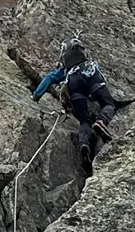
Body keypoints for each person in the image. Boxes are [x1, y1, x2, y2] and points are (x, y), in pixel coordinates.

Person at [31, 40, 120, 173]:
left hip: (74, 83)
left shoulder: (66, 70)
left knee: (85, 121)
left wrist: (36, 96)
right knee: (108, 104)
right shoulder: (91, 63)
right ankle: (101, 121)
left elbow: (49, 78)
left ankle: (84, 144)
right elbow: (99, 78)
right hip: (92, 75)